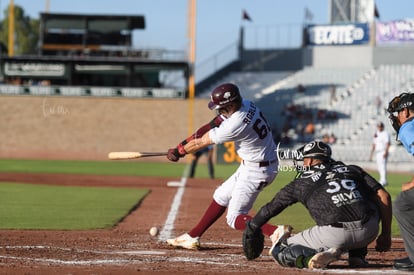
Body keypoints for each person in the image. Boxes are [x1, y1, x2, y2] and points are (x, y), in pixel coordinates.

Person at [165, 83, 284, 249]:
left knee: (234, 218)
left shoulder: (236, 124)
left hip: (257, 170)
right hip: (254, 164)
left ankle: (274, 231)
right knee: (221, 195)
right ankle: (193, 236)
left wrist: (180, 152)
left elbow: (202, 141)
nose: (219, 111)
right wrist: (181, 145)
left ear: (231, 105)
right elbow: (211, 124)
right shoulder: (247, 104)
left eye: (221, 108)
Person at [243, 140, 392, 269]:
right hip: (370, 230)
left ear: (310, 161)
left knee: (280, 250)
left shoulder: (300, 183)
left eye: (304, 159)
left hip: (335, 235)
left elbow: (271, 208)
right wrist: (385, 234)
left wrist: (253, 227)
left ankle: (311, 259)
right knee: (364, 200)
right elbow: (384, 196)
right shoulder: (352, 169)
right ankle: (357, 255)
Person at [387, 92, 414, 271]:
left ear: (405, 111)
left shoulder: (408, 127)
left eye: (397, 113)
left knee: (403, 204)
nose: (397, 117)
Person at [369, 122, 391, 186]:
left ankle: (383, 180)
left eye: (380, 126)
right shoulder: (376, 133)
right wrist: (371, 154)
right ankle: (382, 179)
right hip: (377, 152)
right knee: (379, 167)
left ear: (383, 127)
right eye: (378, 126)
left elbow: (388, 143)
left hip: (383, 151)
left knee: (382, 166)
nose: (379, 127)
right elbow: (374, 144)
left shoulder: (385, 133)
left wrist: (386, 152)